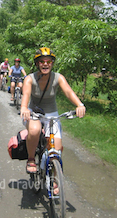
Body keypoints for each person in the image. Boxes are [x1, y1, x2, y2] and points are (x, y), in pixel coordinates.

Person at [20, 47, 86, 176]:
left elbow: (68, 91)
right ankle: (31, 159)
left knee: (57, 150)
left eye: (48, 61)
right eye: (42, 61)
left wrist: (79, 104)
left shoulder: (58, 77)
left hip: (51, 114)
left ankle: (55, 180)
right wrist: (23, 108)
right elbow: (26, 95)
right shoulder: (29, 79)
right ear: (37, 64)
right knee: (34, 130)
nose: (45, 64)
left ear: (52, 63)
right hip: (33, 112)